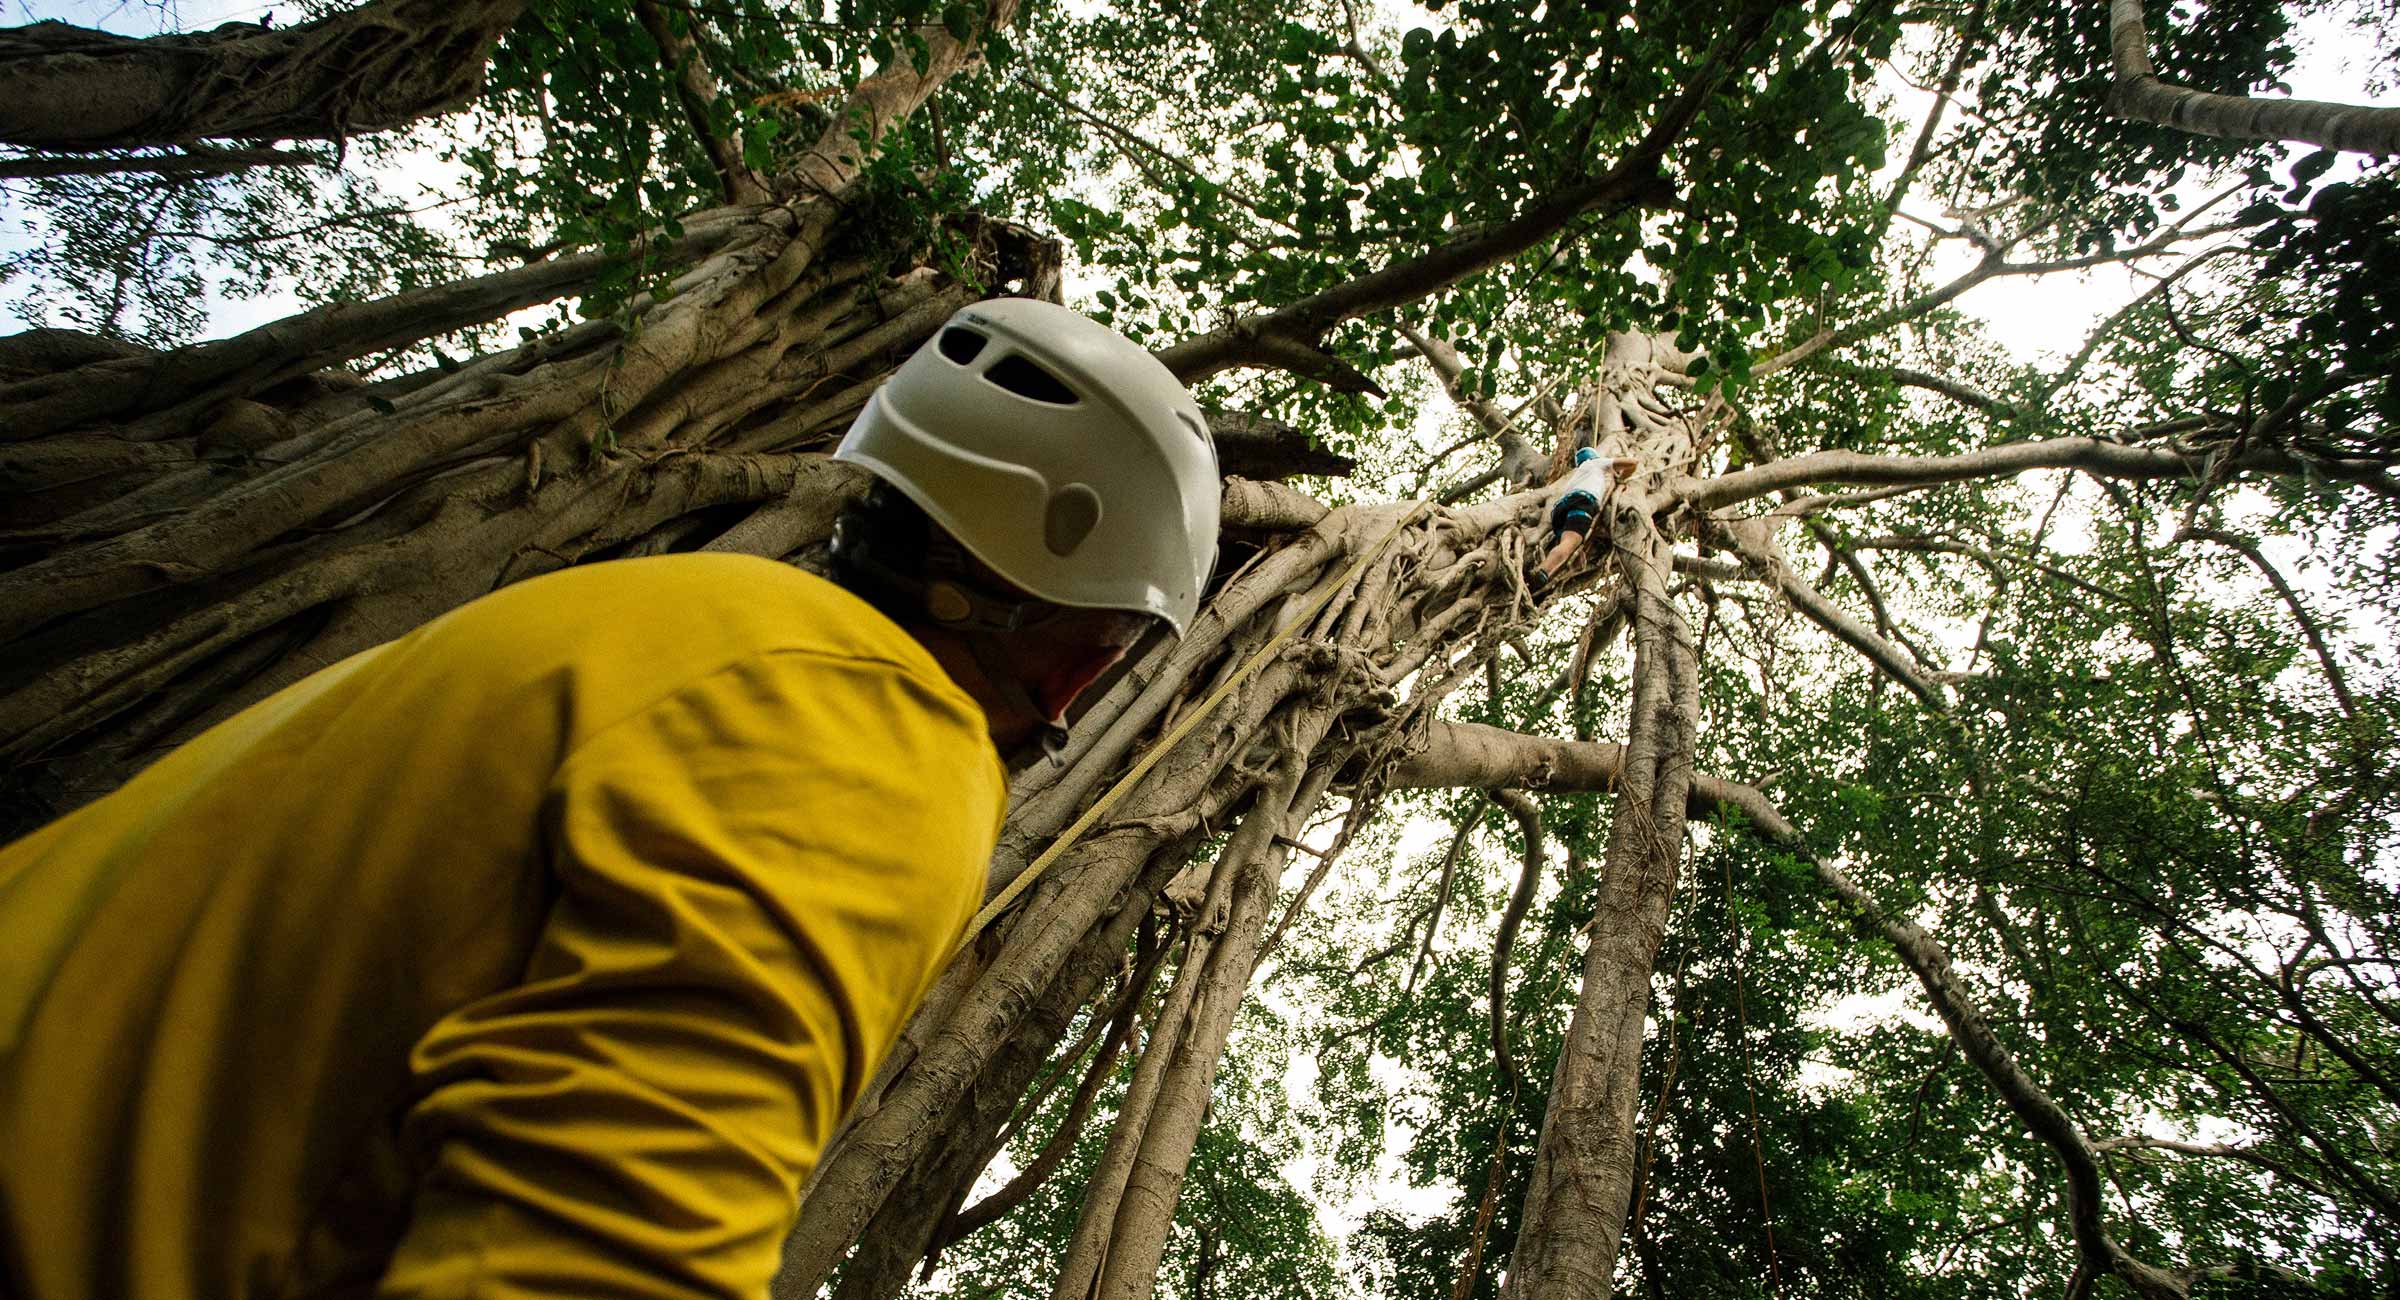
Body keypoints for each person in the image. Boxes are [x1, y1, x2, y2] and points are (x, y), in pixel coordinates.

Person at [0, 299, 1221, 1300]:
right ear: (1077, 642)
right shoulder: (872, 729)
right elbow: (597, 1255)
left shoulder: (625, 616)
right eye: (1115, 643)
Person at [1526, 447, 1637, 594]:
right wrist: (1621, 478)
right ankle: (1542, 572)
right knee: (1570, 543)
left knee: (1569, 548)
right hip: (1583, 501)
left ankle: (1545, 583)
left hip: (1561, 509)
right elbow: (1632, 463)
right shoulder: (1595, 463)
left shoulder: (1577, 474)